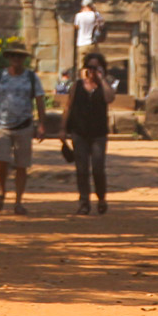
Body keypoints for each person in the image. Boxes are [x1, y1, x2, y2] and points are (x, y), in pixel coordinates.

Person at [0, 44, 47, 214]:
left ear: (24, 59)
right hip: (2, 124)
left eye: (20, 56)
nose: (16, 59)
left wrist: (42, 124)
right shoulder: (0, 76)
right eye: (13, 56)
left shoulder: (31, 77)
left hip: (24, 125)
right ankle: (2, 190)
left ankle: (18, 201)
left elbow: (39, 100)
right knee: (1, 160)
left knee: (21, 165)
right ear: (9, 58)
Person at [61, 52, 116, 215]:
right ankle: (84, 201)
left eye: (96, 67)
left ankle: (101, 198)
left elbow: (109, 98)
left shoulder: (103, 87)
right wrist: (63, 129)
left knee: (98, 168)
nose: (92, 71)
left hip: (98, 132)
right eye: (90, 67)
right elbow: (68, 107)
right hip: (79, 131)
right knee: (82, 169)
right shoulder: (77, 86)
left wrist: (102, 80)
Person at [71, 0, 102, 74]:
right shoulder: (95, 14)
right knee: (94, 65)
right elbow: (101, 23)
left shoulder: (78, 15)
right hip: (91, 43)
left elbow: (76, 26)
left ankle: (84, 80)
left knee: (82, 66)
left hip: (81, 44)